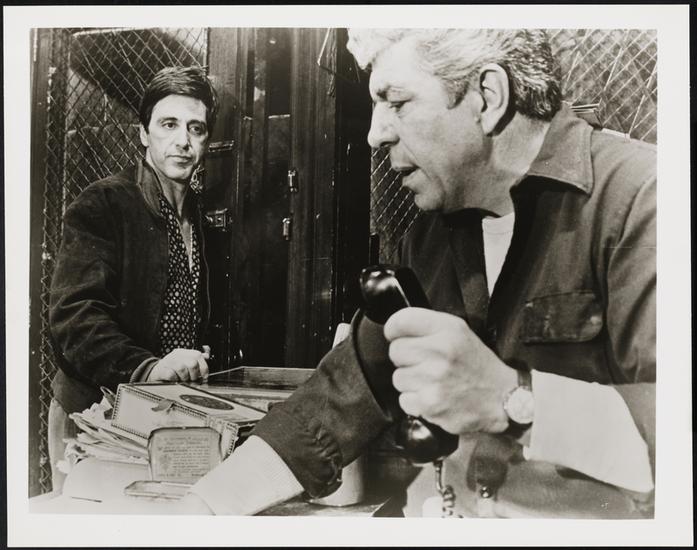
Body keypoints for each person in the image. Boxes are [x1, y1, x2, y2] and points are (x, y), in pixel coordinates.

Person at [180, 28, 655, 518]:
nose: (375, 134)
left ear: (488, 97)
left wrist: (510, 399)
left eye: (397, 102)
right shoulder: (429, 239)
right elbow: (334, 402)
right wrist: (204, 507)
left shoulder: (645, 199)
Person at [47, 66, 219, 490]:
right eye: (168, 124)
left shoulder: (200, 218)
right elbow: (74, 318)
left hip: (167, 414)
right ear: (144, 134)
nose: (183, 140)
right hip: (96, 416)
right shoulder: (104, 203)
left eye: (196, 128)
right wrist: (148, 368)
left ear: (206, 141)